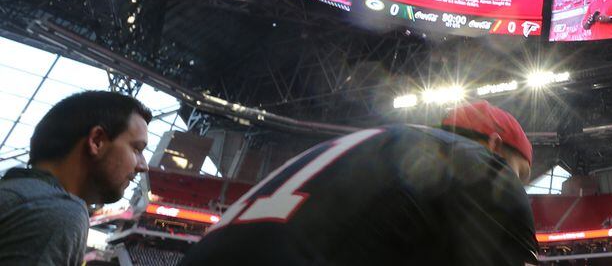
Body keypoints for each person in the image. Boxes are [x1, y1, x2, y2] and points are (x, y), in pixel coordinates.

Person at [181, 100, 537, 266]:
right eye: (520, 173)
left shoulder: (368, 145)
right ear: (493, 146)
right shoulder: (483, 168)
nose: (517, 185)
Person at [0, 91, 151, 266]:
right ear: (96, 141)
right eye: (137, 149)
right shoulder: (58, 212)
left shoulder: (19, 194)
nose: (143, 166)